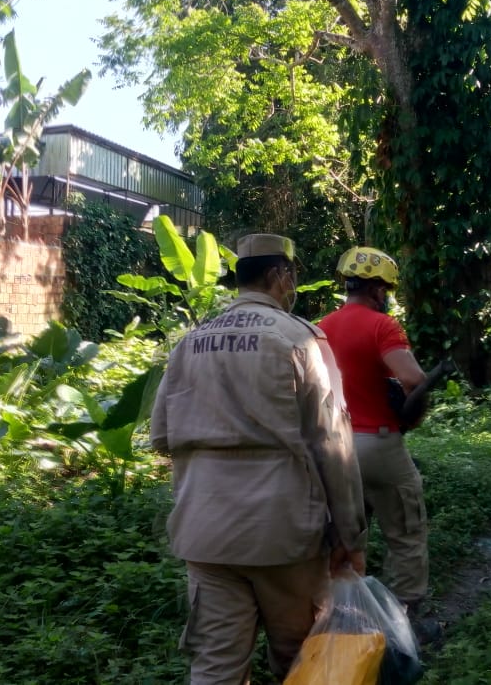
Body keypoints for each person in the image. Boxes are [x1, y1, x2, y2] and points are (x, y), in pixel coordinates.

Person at [151, 233, 368, 685]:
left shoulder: (188, 343)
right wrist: (351, 535)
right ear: (278, 275)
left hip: (205, 533)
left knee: (216, 665)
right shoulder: (301, 340)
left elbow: (161, 436)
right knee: (302, 658)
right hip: (283, 534)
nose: (292, 285)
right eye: (292, 276)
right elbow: (333, 444)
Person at [318, 246, 431, 615]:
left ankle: (340, 612)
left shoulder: (319, 329)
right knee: (406, 530)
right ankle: (405, 617)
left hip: (334, 447)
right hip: (379, 444)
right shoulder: (383, 325)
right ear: (378, 290)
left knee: (344, 534)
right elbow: (413, 378)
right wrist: (413, 414)